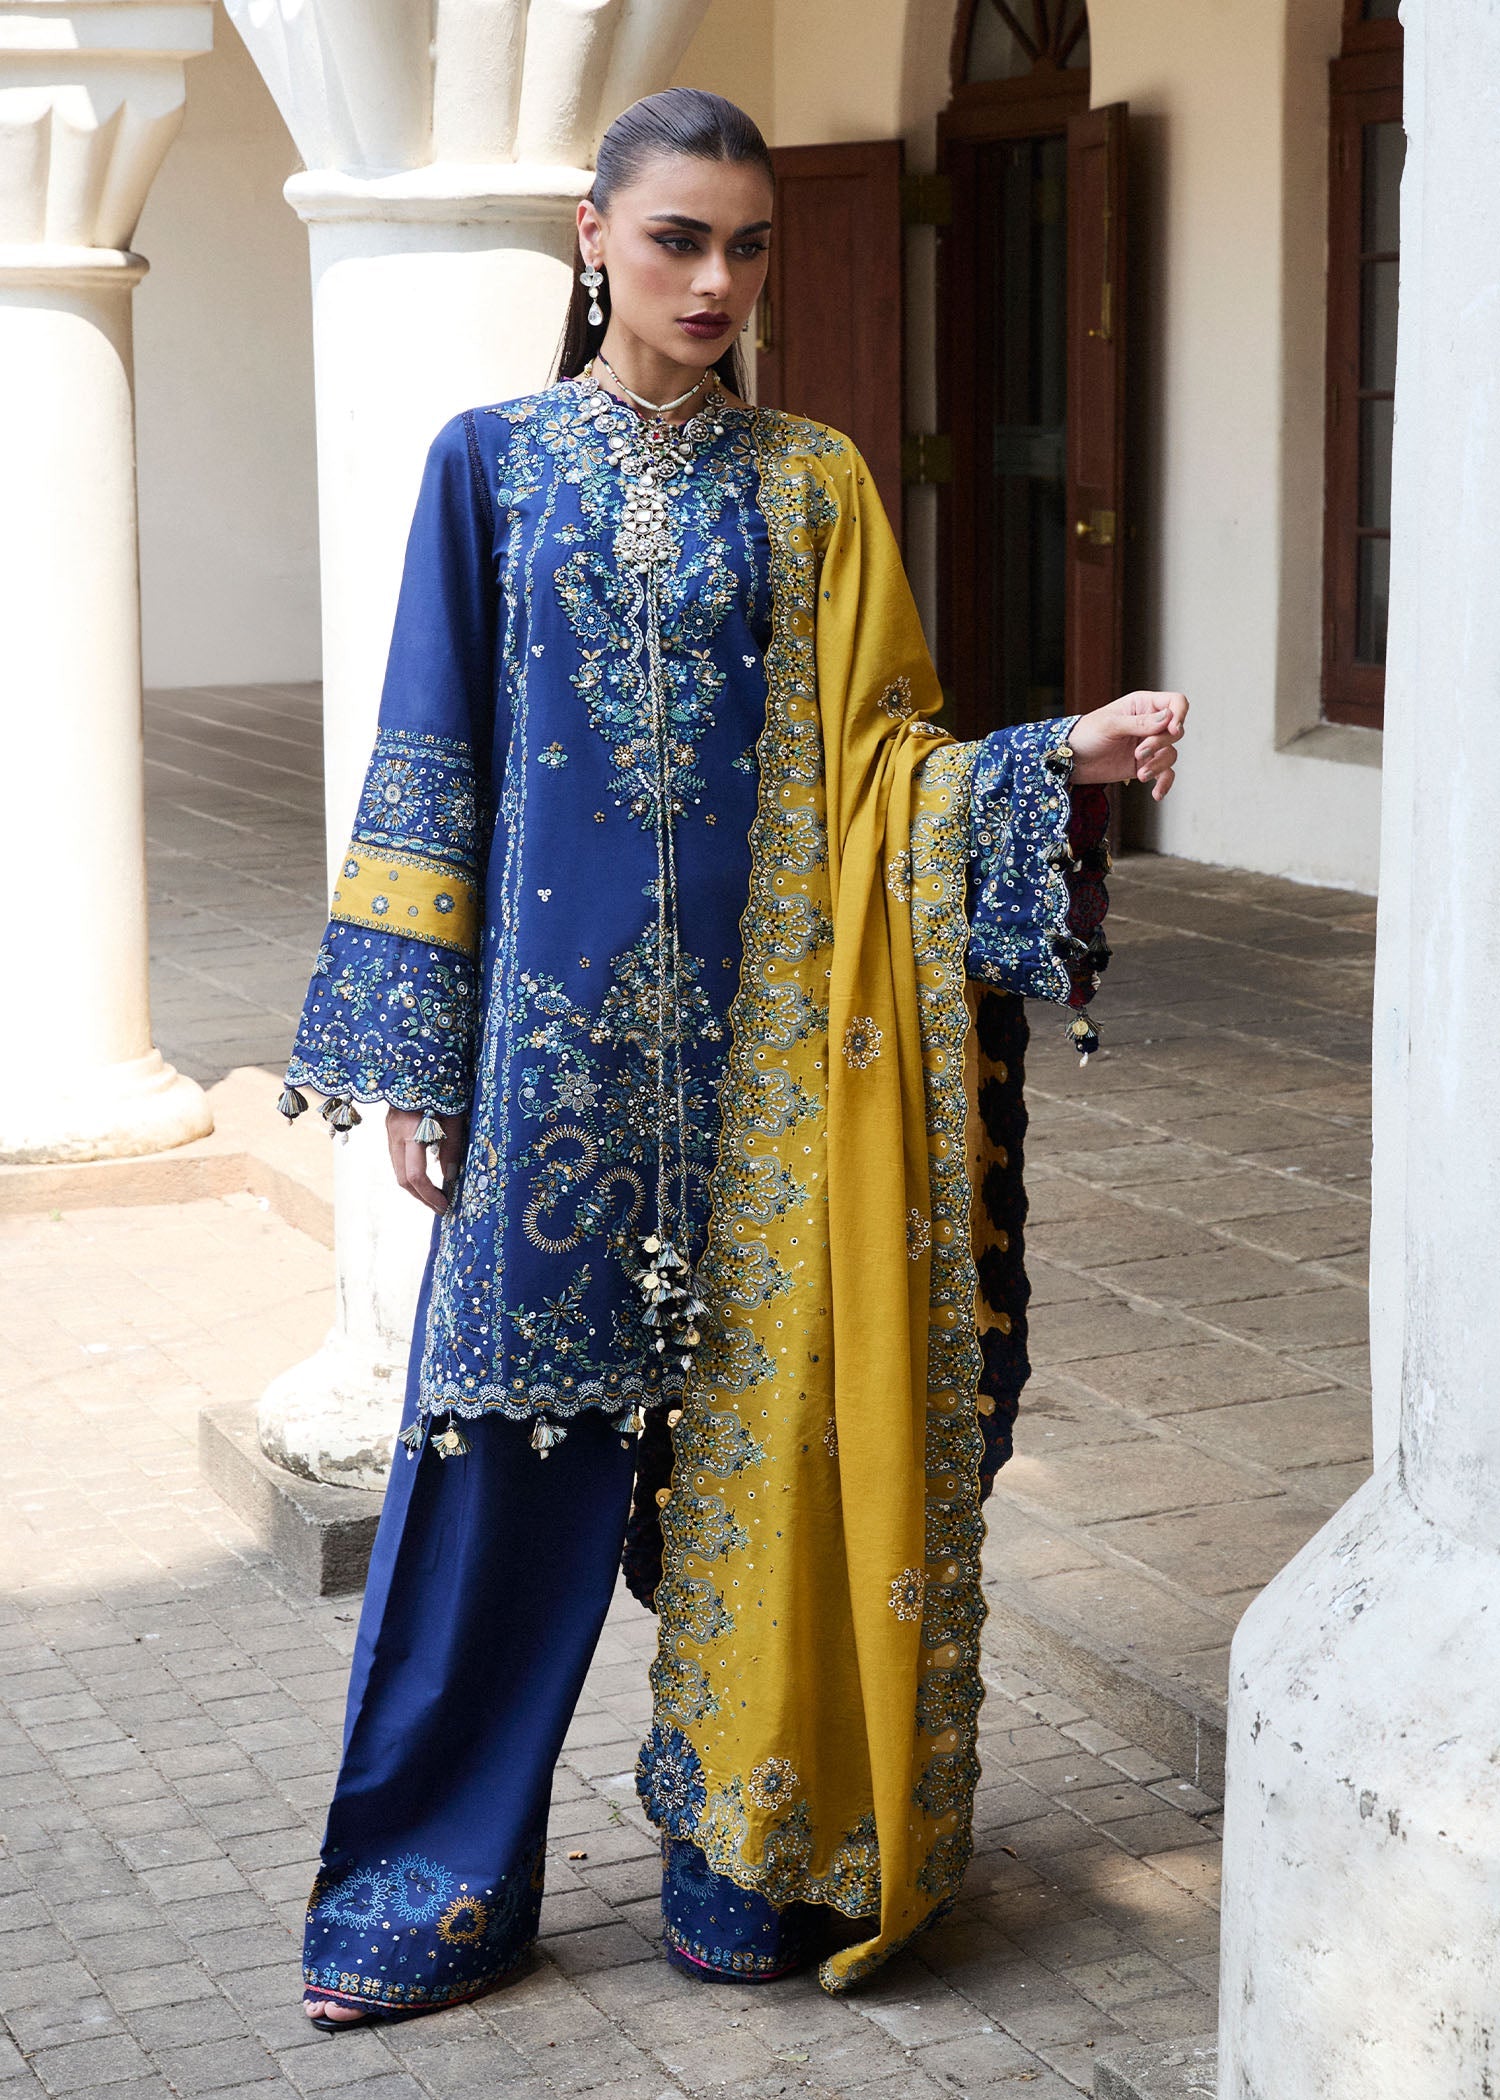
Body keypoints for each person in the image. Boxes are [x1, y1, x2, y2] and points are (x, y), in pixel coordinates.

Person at [280, 87, 1188, 2028]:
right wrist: (416, 1054)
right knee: (495, 1482)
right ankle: (430, 1889)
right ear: (594, 238)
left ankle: (750, 1850)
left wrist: (1055, 757)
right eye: (677, 239)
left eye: (748, 246)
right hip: (552, 1079)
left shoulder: (816, 482)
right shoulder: (491, 464)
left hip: (781, 1091)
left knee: (774, 1470)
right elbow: (431, 753)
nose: (714, 281)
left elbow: (885, 771)